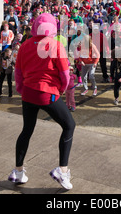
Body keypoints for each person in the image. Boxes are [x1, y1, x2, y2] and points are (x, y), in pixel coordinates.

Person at [11, 13, 75, 190]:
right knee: (69, 125)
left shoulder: (24, 45)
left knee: (27, 130)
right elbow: (64, 74)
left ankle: (18, 171)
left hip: (28, 93)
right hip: (47, 92)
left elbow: (18, 71)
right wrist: (61, 90)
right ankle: (62, 170)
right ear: (53, 27)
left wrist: (21, 89)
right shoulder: (55, 44)